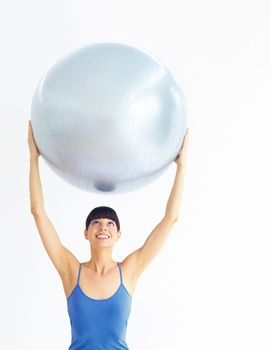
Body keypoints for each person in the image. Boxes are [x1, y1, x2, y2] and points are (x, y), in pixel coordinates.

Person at [28, 120, 189, 350]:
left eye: (110, 223)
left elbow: (170, 218)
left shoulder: (130, 269)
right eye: (96, 223)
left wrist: (182, 166)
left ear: (118, 234)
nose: (103, 227)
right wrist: (33, 158)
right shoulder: (71, 270)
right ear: (86, 233)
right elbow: (38, 213)